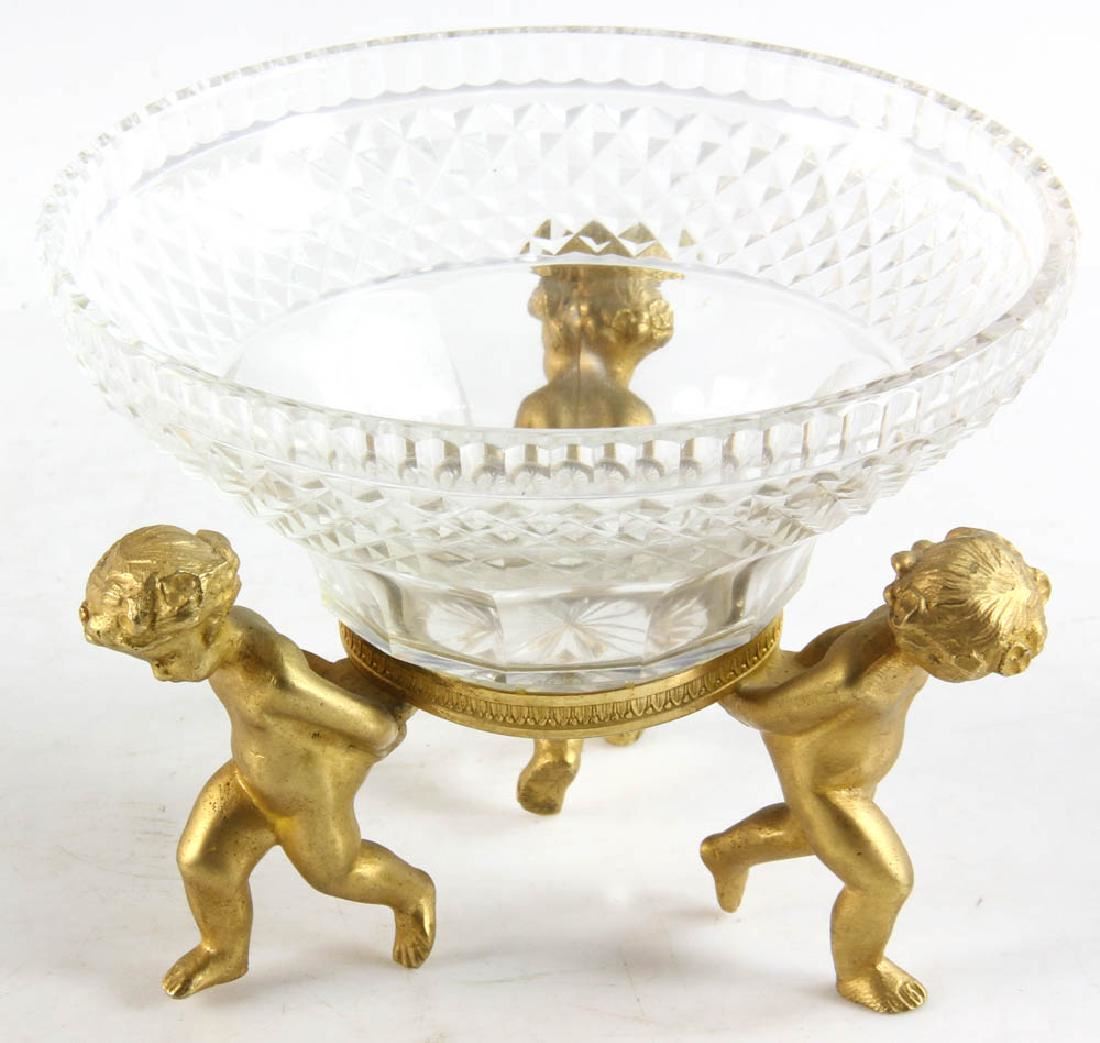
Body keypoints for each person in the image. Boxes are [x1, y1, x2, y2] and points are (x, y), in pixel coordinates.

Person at [700, 527, 1050, 1013]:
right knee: (885, 881)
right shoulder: (863, 681)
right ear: (942, 651)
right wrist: (718, 681)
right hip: (829, 786)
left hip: (847, 772)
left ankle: (724, 852)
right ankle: (860, 971)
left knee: (807, 834)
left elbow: (818, 651)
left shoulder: (898, 627)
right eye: (986, 662)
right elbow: (774, 712)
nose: (998, 668)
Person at [80, 525, 435, 998]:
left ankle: (413, 894)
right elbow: (303, 662)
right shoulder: (234, 628)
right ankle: (223, 951)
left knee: (337, 873)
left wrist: (359, 739)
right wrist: (329, 679)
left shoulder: (270, 684)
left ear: (207, 628)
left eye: (165, 658)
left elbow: (376, 728)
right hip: (249, 779)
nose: (161, 674)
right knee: (201, 862)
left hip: (306, 801)